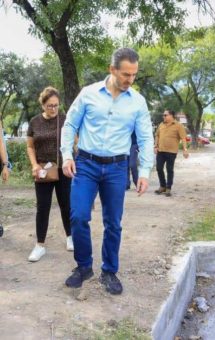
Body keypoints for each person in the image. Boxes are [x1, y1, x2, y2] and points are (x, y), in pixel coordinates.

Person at [61, 47, 154, 295]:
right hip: (86, 165)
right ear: (112, 70)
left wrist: (144, 172)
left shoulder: (137, 102)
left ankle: (109, 270)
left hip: (116, 168)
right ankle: (83, 267)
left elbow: (145, 138)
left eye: (134, 74)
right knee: (79, 216)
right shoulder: (88, 94)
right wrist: (67, 156)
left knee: (113, 222)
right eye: (125, 74)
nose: (130, 80)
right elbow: (70, 124)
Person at [26, 87, 72, 262]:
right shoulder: (34, 122)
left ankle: (70, 237)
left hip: (63, 168)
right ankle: (39, 245)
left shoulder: (65, 120)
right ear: (43, 105)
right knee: (42, 207)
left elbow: (75, 140)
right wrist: (34, 165)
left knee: (66, 205)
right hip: (43, 170)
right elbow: (30, 146)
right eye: (49, 106)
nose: (53, 109)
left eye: (56, 105)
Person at [154, 109, 189, 197]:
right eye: (163, 115)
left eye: (165, 115)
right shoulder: (161, 124)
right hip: (161, 151)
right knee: (159, 168)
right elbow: (157, 135)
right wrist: (155, 146)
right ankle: (162, 186)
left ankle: (168, 188)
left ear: (171, 116)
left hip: (171, 152)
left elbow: (183, 138)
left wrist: (185, 149)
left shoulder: (178, 125)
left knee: (169, 170)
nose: (164, 117)